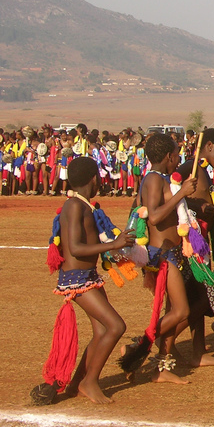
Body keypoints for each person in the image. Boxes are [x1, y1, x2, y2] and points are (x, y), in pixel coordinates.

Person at [30, 157, 136, 405]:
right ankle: (89, 382)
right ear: (94, 179)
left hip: (87, 277)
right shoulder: (75, 207)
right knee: (115, 326)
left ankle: (78, 382)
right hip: (76, 279)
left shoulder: (82, 205)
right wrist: (114, 244)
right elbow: (76, 248)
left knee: (102, 330)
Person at [127, 132, 198, 383]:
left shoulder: (160, 178)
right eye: (177, 155)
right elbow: (155, 217)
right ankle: (140, 343)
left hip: (172, 252)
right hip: (162, 255)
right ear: (168, 157)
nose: (178, 159)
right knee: (181, 311)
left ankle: (162, 368)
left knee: (178, 311)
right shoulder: (154, 179)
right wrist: (181, 194)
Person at [177, 128, 214, 369]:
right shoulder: (188, 168)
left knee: (200, 297)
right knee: (198, 300)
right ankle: (152, 340)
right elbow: (172, 192)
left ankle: (198, 351)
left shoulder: (202, 170)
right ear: (209, 146)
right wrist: (198, 208)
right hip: (189, 245)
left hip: (200, 242)